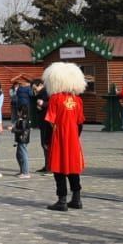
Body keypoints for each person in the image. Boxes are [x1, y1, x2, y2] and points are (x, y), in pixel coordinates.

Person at [44, 62, 87, 212]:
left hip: (60, 136)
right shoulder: (78, 100)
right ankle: (77, 198)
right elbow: (80, 122)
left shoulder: (55, 98)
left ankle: (62, 200)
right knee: (73, 167)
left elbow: (51, 121)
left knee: (58, 167)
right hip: (74, 137)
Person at [31, 78, 51, 173]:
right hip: (43, 121)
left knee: (46, 144)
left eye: (35, 88)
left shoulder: (46, 92)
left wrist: (43, 104)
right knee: (44, 144)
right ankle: (47, 165)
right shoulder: (41, 93)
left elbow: (51, 104)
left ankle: (50, 166)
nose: (34, 91)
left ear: (41, 85)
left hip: (47, 122)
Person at [12, 101, 32, 180]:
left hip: (22, 140)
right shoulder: (22, 119)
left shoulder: (23, 120)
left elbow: (23, 131)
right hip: (20, 140)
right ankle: (22, 170)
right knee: (19, 155)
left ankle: (26, 172)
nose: (17, 113)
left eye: (18, 111)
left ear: (21, 112)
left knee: (24, 156)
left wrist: (14, 129)